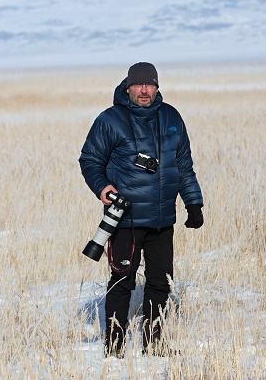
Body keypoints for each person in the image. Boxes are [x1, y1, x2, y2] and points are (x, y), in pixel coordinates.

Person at [78, 62, 204, 357]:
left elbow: (183, 165)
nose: (144, 90)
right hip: (126, 220)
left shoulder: (172, 117)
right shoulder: (110, 120)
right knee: (122, 281)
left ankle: (154, 343)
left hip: (162, 220)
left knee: (160, 284)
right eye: (138, 85)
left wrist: (194, 202)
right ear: (128, 87)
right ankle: (115, 348)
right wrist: (103, 187)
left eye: (150, 85)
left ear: (157, 87)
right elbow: (89, 160)